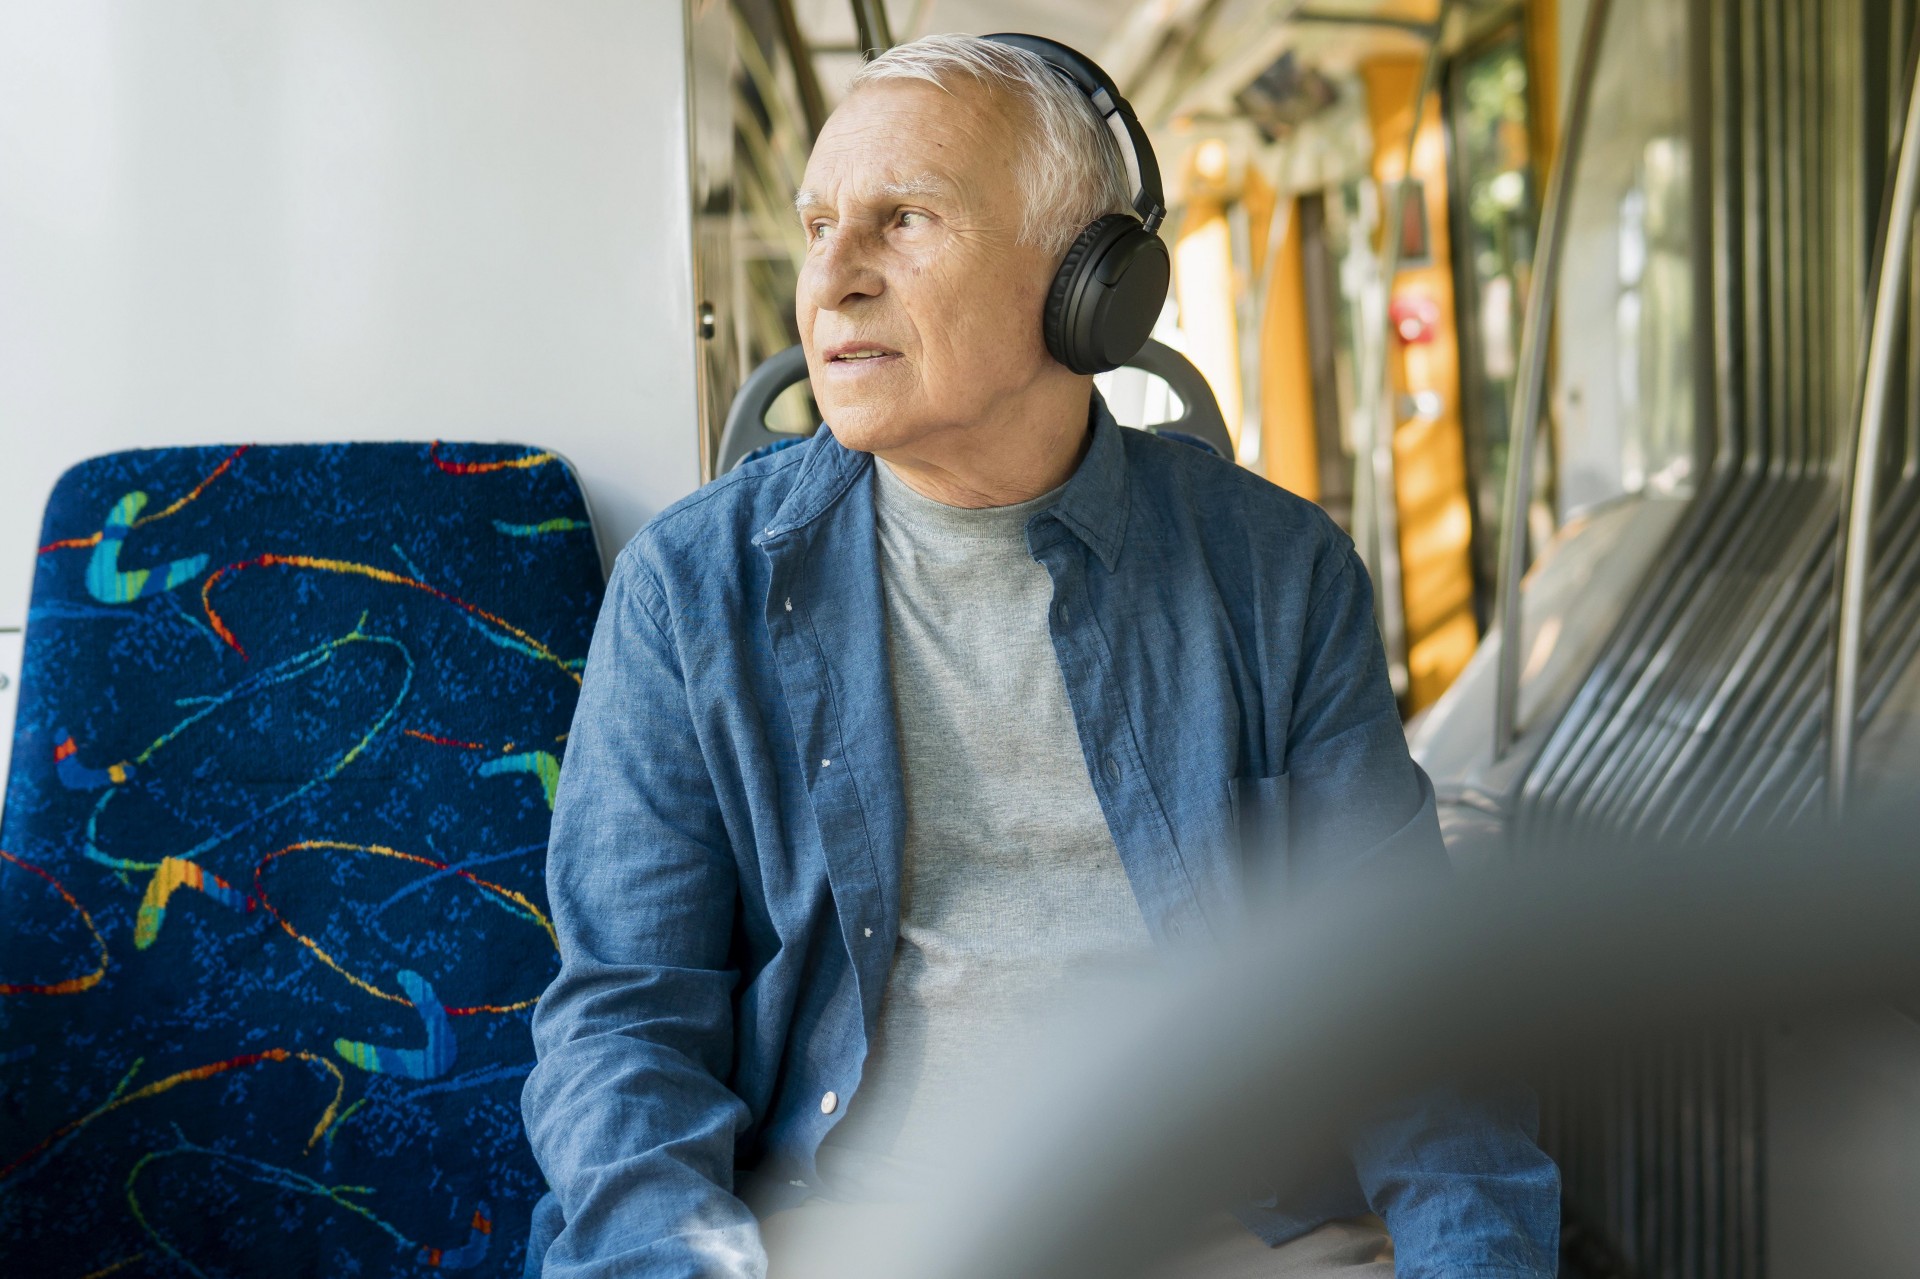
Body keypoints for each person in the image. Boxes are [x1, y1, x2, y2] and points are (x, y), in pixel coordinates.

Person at [521, 32, 1559, 1279]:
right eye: (817, 226)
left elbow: (1408, 1016)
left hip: (1237, 1223)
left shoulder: (1277, 577)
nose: (832, 281)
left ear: (1089, 285)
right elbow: (625, 1024)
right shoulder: (691, 592)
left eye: (903, 221)